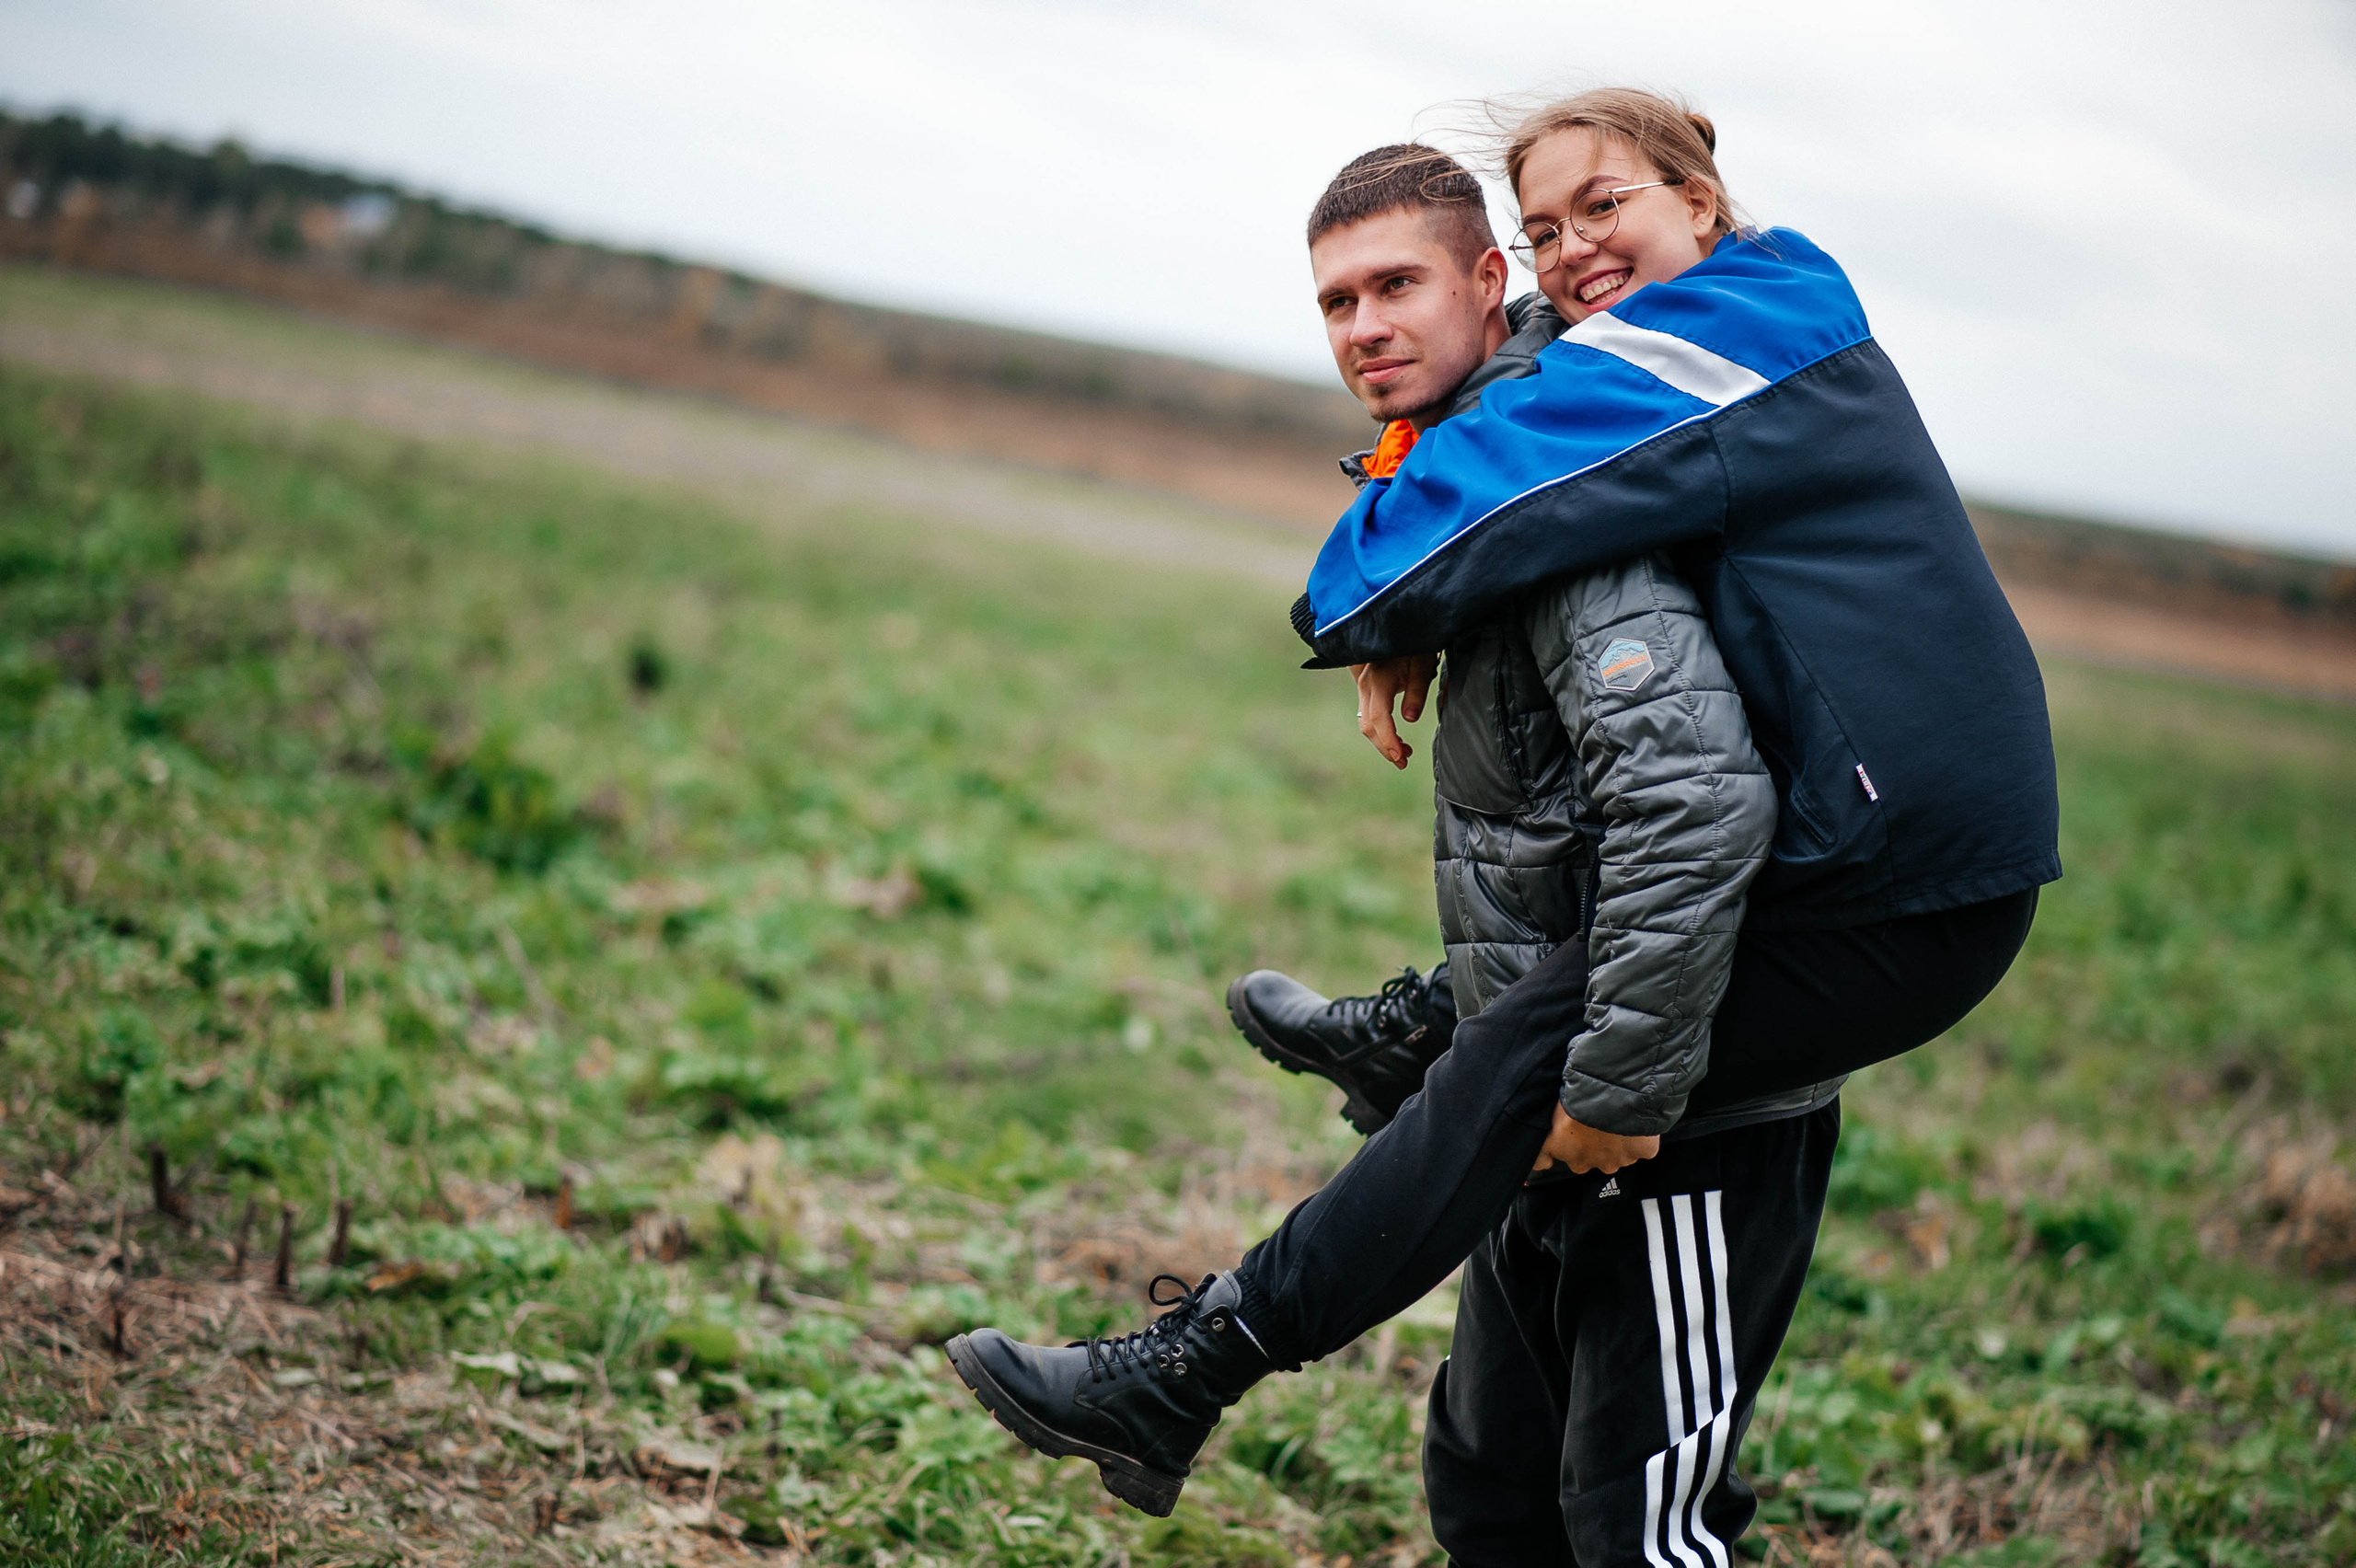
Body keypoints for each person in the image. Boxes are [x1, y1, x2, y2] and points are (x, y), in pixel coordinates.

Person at [951, 89, 2059, 1562]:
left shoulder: (1746, 327)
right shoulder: (1664, 368)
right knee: (1496, 1473)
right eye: (1546, 226)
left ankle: (1195, 1364)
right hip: (1852, 847)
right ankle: (1418, 1047)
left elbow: (1483, 526)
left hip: (1906, 873)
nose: (1574, 247)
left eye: (1607, 205)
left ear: (1703, 206)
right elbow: (1524, 450)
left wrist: (1391, 600)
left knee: (1551, 1073)